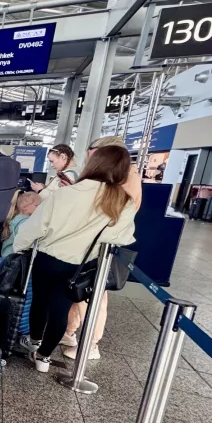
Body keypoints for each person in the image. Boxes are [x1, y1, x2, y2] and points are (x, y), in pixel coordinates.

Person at [13, 145, 138, 373]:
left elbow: (35, 227)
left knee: (39, 302)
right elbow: (123, 237)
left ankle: (34, 343)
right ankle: (44, 357)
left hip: (47, 258)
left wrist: (18, 248)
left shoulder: (65, 193)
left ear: (94, 164)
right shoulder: (123, 202)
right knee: (60, 310)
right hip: (80, 265)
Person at [60, 136, 142, 361]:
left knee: (92, 296)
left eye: (93, 151)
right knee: (78, 292)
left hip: (98, 248)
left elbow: (111, 212)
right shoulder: (123, 176)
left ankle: (90, 345)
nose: (89, 155)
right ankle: (69, 333)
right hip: (89, 245)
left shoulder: (125, 178)